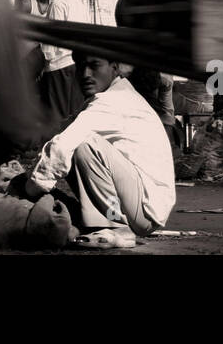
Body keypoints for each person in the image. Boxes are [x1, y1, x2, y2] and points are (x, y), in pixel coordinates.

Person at [23, 50, 176, 248]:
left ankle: (116, 228)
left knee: (84, 145)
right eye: (80, 67)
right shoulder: (110, 96)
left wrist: (29, 190)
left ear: (114, 68)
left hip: (144, 209)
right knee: (74, 143)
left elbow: (61, 147)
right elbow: (59, 135)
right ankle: (104, 223)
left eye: (94, 66)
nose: (85, 74)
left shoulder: (113, 100)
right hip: (141, 204)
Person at [114, 0, 177, 143]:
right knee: (153, 110)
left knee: (159, 109)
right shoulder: (128, 2)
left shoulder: (140, 1)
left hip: (150, 63)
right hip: (141, 65)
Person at [37, 0, 86, 133]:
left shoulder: (58, 3)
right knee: (73, 112)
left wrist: (45, 64)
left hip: (59, 65)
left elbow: (52, 39)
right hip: (75, 62)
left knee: (58, 113)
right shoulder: (78, 2)